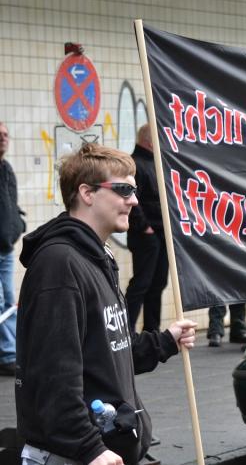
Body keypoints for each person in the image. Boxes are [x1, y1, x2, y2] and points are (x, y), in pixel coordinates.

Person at [15, 143, 196, 465]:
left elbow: (109, 349)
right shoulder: (59, 264)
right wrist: (90, 448)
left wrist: (165, 341)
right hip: (74, 456)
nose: (134, 200)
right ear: (87, 193)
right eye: (124, 189)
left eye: (135, 190)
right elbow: (53, 373)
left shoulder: (97, 256)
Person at [125, 124, 169, 332]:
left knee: (158, 284)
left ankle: (152, 330)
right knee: (141, 284)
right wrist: (145, 227)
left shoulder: (156, 164)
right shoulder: (135, 165)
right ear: (149, 141)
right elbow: (133, 200)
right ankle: (126, 330)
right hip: (147, 235)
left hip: (160, 234)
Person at [0, 122, 24, 377]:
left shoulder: (6, 168)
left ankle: (11, 351)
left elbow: (11, 203)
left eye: (6, 134)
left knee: (8, 301)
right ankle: (8, 355)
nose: (3, 138)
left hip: (5, 248)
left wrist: (18, 223)